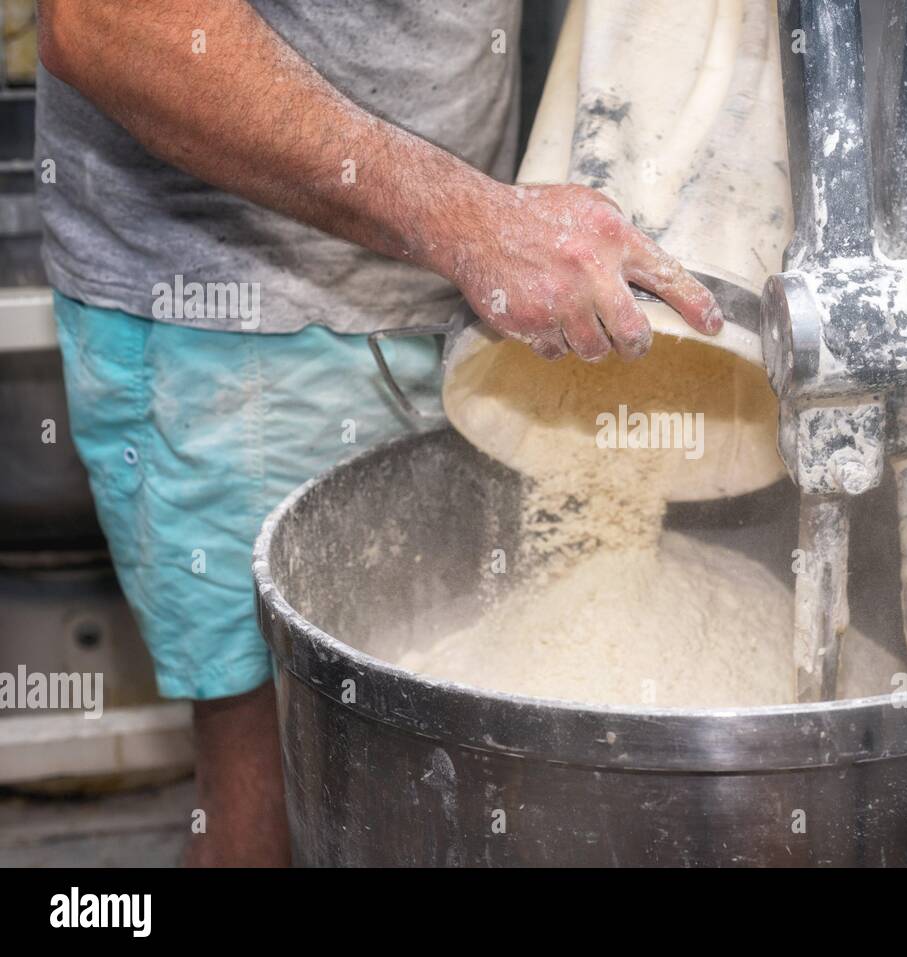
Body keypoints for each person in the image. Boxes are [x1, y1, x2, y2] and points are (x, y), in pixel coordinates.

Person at [36, 0, 722, 866]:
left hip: (462, 286)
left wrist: (485, 231)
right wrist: (475, 223)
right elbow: (110, 22)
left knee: (437, 767)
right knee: (281, 785)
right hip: (239, 318)